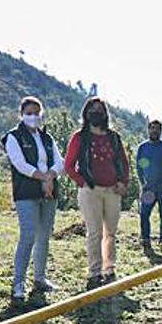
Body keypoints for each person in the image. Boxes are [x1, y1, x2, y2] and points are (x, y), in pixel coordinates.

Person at [64, 96, 130, 289]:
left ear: (105, 114)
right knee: (94, 233)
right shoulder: (79, 137)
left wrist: (123, 182)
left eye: (100, 110)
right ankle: (94, 273)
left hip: (112, 191)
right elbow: (68, 165)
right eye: (93, 109)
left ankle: (109, 269)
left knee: (110, 232)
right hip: (90, 191)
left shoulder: (113, 137)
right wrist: (82, 182)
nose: (96, 113)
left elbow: (124, 163)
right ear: (86, 113)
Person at [3, 96, 64, 303]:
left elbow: (60, 163)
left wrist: (50, 177)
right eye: (29, 113)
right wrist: (44, 177)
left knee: (44, 236)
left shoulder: (48, 138)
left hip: (49, 194)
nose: (33, 117)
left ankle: (39, 278)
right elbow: (20, 164)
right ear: (21, 114)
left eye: (37, 113)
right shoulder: (13, 136)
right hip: (26, 193)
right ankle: (18, 283)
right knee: (28, 235)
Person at [136, 119, 162, 251]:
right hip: (148, 188)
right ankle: (145, 239)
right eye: (152, 128)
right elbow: (139, 166)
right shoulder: (143, 147)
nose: (154, 131)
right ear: (148, 130)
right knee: (144, 214)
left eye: (157, 128)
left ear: (161, 131)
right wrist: (142, 182)